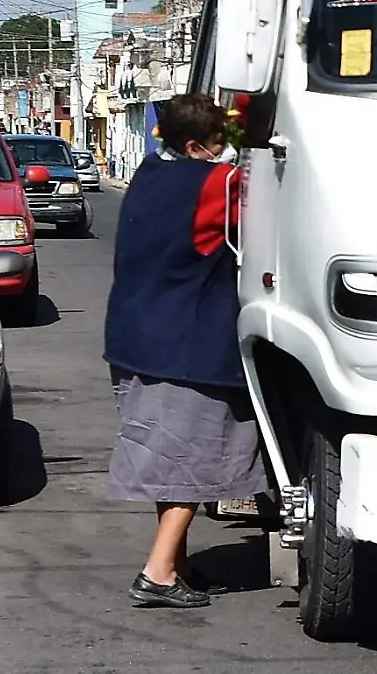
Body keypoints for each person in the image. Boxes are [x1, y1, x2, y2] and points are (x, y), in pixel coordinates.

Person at [103, 93, 267, 609]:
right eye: (219, 143)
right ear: (195, 146)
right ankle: (157, 573)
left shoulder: (149, 174)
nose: (226, 152)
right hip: (185, 345)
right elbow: (260, 202)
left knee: (169, 459)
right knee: (192, 461)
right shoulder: (217, 185)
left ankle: (175, 560)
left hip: (133, 338)